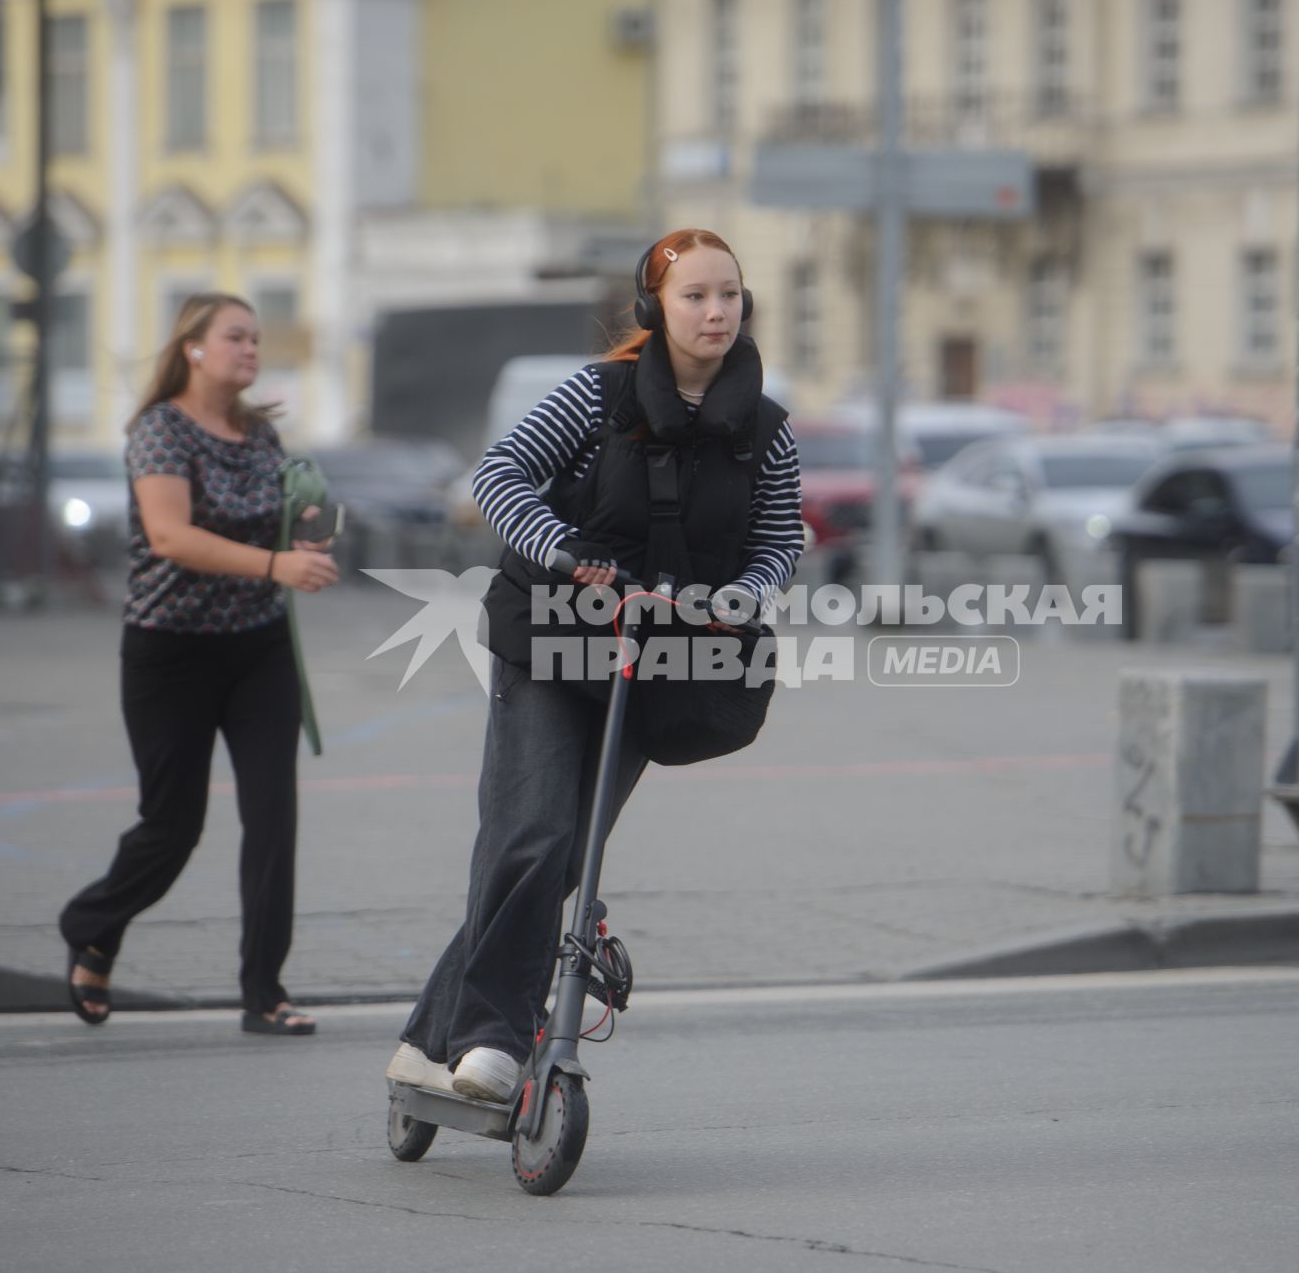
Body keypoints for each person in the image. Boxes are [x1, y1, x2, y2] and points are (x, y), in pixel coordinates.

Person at [385, 228, 803, 1100]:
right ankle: (493, 1042)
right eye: (695, 295)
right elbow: (498, 476)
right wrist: (566, 553)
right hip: (547, 635)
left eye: (729, 293)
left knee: (568, 853)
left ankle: (433, 1037)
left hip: (654, 655)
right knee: (529, 833)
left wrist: (738, 600)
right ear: (656, 307)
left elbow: (776, 542)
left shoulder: (766, 430)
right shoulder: (598, 394)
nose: (716, 310)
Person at [60, 292, 339, 1035]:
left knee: (273, 816)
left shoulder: (258, 434)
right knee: (172, 825)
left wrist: (302, 543)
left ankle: (264, 991)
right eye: (235, 337)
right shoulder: (159, 431)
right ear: (192, 347)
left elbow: (278, 527)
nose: (250, 349)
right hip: (169, 651)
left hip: (258, 649)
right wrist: (277, 564)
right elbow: (171, 537)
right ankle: (93, 923)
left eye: (255, 338)